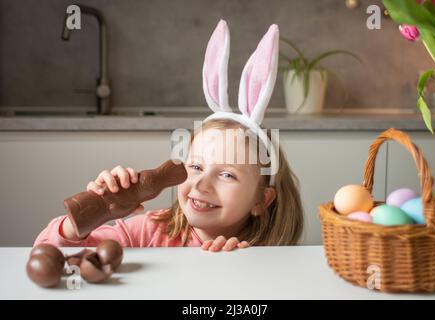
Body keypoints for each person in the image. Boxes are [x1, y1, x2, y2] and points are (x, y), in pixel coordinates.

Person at [34, 20, 304, 252]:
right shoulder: (147, 231)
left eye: (227, 174)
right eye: (196, 167)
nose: (202, 184)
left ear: (261, 200)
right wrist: (96, 209)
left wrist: (245, 267)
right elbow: (47, 254)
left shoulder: (268, 253)